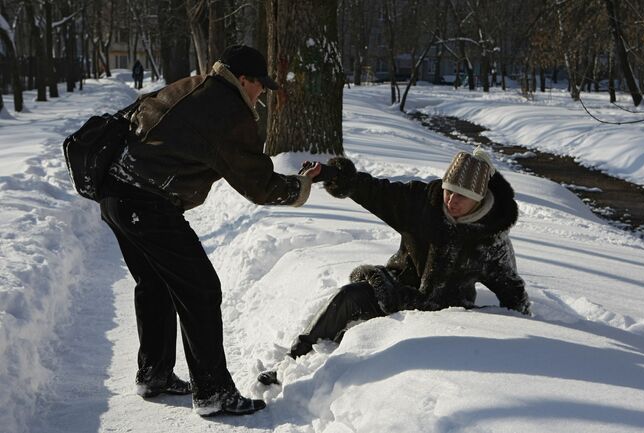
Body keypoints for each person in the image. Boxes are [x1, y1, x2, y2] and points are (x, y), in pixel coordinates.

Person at [100, 45, 321, 416]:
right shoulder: (226, 109)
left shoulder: (194, 85)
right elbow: (257, 184)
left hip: (116, 193)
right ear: (244, 79)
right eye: (259, 85)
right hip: (147, 203)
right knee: (200, 289)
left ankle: (153, 373)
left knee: (154, 282)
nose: (261, 93)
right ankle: (213, 392)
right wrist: (299, 187)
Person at [259, 148, 531, 385]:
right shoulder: (422, 202)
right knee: (349, 296)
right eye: (449, 190)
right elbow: (374, 191)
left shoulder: (490, 240)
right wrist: (332, 175)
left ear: (479, 198)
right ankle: (294, 361)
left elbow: (512, 292)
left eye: (461, 195)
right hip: (396, 291)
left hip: (445, 314)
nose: (451, 200)